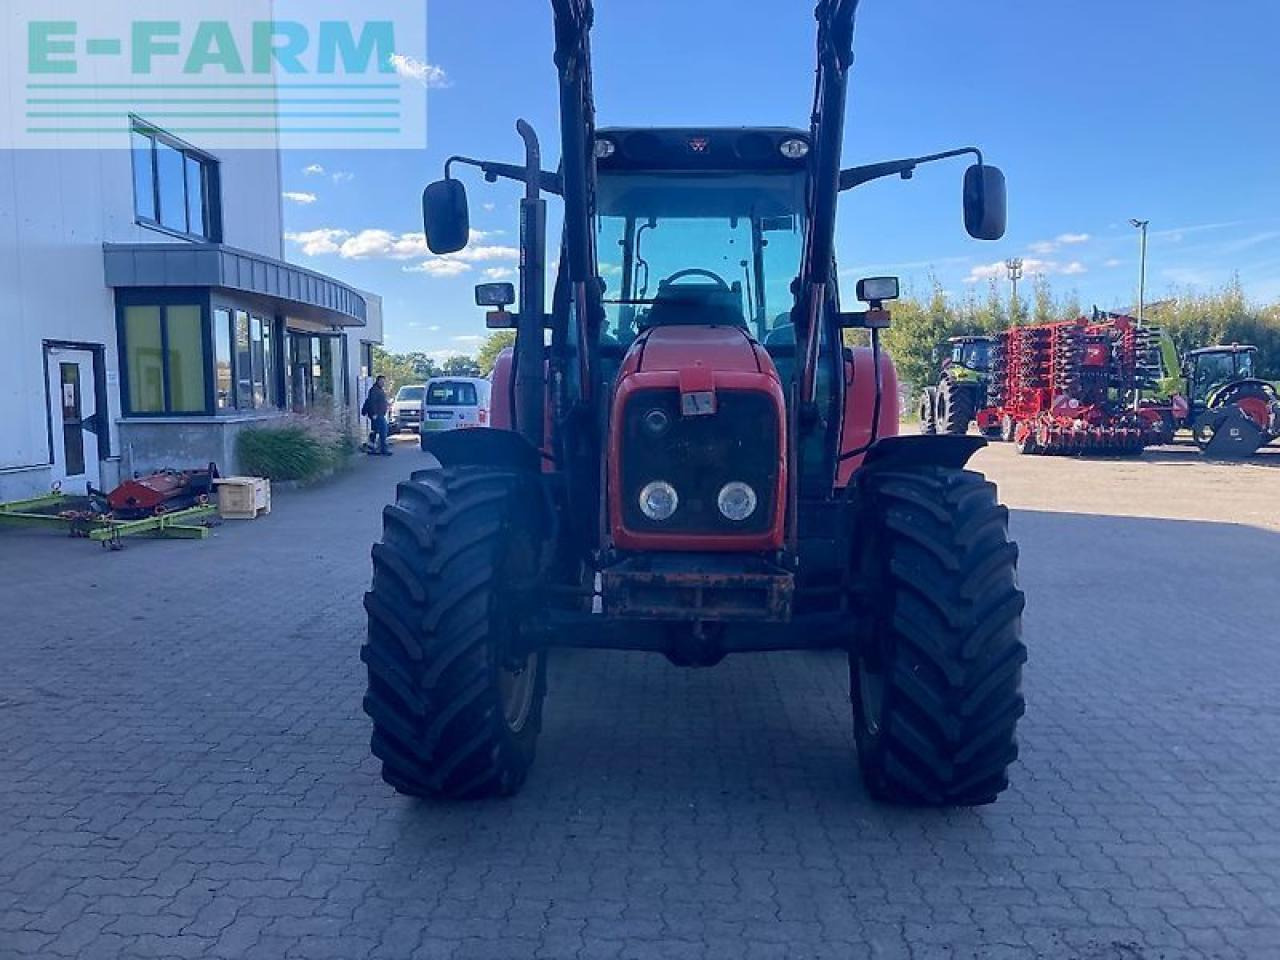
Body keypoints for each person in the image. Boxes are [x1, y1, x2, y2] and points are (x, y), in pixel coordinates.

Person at [361, 375, 392, 456]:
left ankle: (371, 448)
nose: (383, 383)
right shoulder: (374, 390)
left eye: (384, 381)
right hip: (377, 414)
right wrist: (374, 413)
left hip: (379, 414)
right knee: (383, 431)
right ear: (377, 381)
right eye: (381, 381)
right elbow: (372, 402)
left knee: (374, 431)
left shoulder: (379, 390)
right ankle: (383, 449)